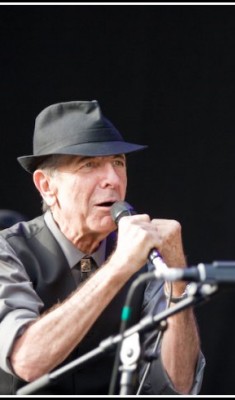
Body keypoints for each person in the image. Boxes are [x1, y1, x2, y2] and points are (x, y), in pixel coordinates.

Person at [0, 100, 205, 395]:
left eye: (118, 163)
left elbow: (177, 386)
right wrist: (118, 268)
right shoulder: (8, 252)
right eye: (90, 165)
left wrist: (177, 281)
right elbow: (27, 360)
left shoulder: (146, 260)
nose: (112, 179)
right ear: (46, 186)